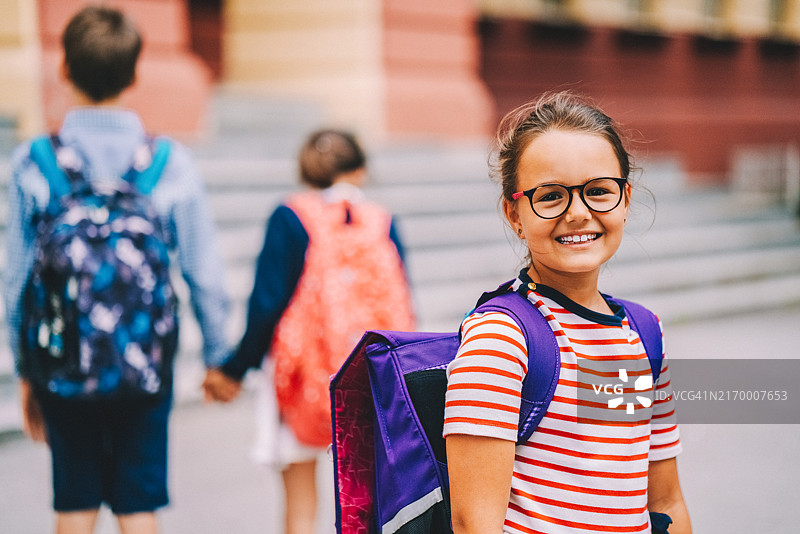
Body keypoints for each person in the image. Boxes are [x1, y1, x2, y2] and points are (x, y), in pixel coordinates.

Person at [3, 6, 231, 534]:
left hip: (62, 362)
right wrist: (219, 357)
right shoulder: (168, 163)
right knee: (137, 501)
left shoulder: (32, 162)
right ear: (134, 74)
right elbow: (204, 270)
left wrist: (26, 368)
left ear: (64, 69)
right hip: (144, 360)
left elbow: (15, 280)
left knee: (74, 499)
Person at [443, 92, 691, 534]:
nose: (578, 213)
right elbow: (473, 523)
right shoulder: (501, 339)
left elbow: (666, 499)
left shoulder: (643, 333)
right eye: (551, 196)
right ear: (514, 213)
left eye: (598, 191)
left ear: (626, 199)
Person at [203, 128, 415, 534]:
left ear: (307, 171)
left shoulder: (291, 216)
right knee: (364, 500)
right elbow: (403, 301)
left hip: (306, 374)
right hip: (371, 373)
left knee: (300, 502)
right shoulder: (381, 221)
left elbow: (267, 304)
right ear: (361, 170)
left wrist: (234, 368)